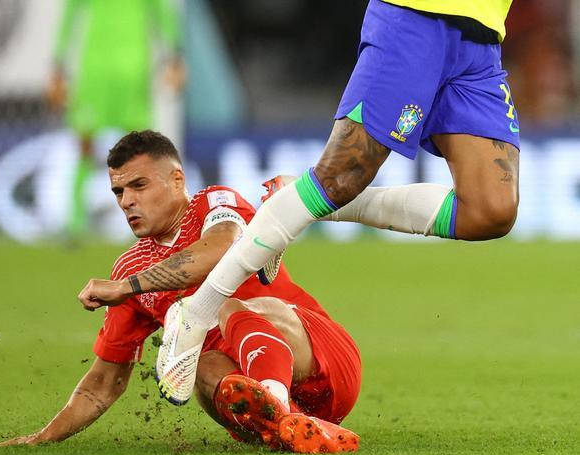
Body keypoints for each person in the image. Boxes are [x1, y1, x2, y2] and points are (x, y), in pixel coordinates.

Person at [156, 0, 522, 404]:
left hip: (481, 35)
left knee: (490, 210)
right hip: (417, 17)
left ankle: (298, 196)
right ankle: (196, 313)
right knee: (341, 174)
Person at [0, 130, 360, 454]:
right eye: (118, 191)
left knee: (229, 307)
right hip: (265, 392)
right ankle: (294, 426)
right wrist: (43, 438)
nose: (126, 201)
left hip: (322, 359)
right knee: (202, 367)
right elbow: (104, 383)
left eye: (138, 186)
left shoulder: (214, 203)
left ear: (176, 179)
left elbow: (220, 249)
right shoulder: (130, 268)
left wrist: (127, 287)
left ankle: (278, 407)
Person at [48, 0, 184, 240]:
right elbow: (71, 13)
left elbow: (162, 13)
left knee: (140, 150)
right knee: (87, 146)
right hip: (101, 70)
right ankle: (76, 222)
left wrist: (175, 57)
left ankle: (144, 224)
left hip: (126, 71)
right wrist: (58, 66)